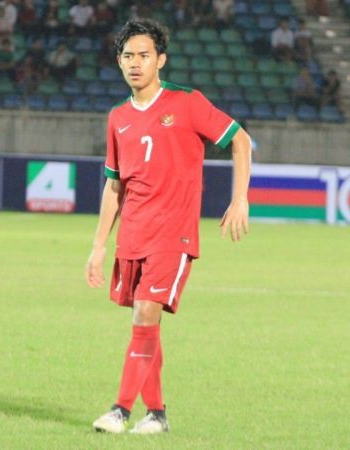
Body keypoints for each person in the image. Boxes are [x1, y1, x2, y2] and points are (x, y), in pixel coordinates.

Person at [86, 18, 251, 435]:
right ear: (119, 62)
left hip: (172, 236)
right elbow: (114, 186)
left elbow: (240, 140)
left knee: (145, 314)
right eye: (127, 56)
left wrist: (240, 197)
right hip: (133, 236)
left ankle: (120, 410)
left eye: (144, 55)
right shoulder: (118, 117)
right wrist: (99, 246)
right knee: (145, 324)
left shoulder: (187, 102)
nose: (135, 63)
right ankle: (157, 414)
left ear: (161, 59)